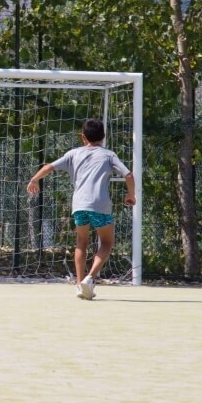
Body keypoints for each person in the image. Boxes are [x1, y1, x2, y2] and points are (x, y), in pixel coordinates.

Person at [26, 118, 136, 300]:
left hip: (79, 205)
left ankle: (79, 285)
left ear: (82, 137)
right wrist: (131, 195)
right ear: (104, 136)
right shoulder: (108, 155)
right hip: (100, 205)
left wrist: (34, 180)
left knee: (81, 242)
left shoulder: (73, 154)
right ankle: (90, 278)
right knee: (107, 243)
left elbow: (48, 167)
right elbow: (129, 175)